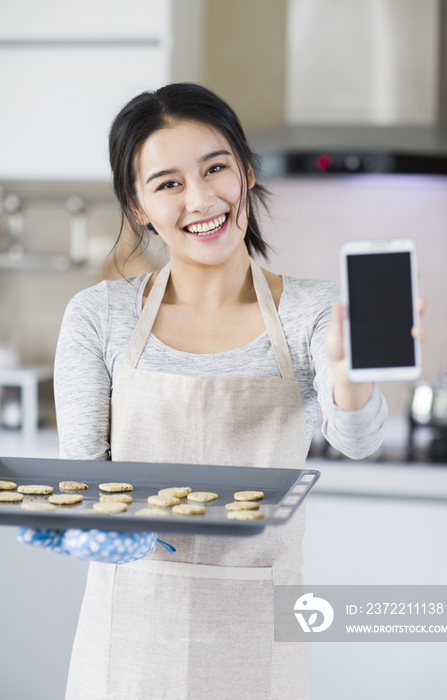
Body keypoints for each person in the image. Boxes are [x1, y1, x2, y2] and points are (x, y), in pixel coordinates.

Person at [19, 83, 424, 700]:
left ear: (247, 171)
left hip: (255, 632)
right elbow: (85, 473)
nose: (202, 198)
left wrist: (348, 373)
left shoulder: (313, 311)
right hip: (129, 626)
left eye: (216, 168)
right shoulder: (99, 315)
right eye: (168, 182)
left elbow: (358, 440)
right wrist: (79, 521)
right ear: (137, 206)